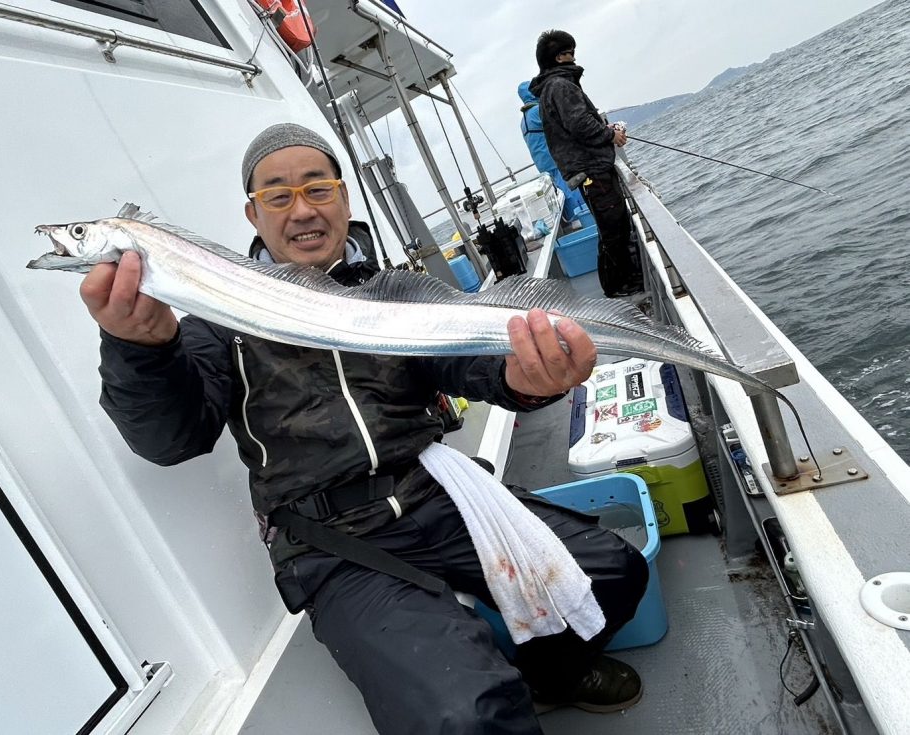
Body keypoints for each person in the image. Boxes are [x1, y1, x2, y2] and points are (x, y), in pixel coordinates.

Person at [79, 122, 648, 734]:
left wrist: (529, 377)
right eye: (277, 194)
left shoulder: (396, 292)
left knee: (615, 570)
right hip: (333, 539)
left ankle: (552, 675)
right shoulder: (219, 324)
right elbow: (171, 439)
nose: (301, 210)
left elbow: (473, 360)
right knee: (464, 715)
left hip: (435, 491)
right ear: (253, 213)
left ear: (344, 200)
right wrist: (140, 351)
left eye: (318, 189)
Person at [529, 30, 644, 298]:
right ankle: (620, 286)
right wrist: (609, 134)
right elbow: (580, 124)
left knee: (612, 225)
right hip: (591, 169)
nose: (574, 57)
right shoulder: (560, 86)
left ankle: (620, 284)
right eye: (570, 52)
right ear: (559, 57)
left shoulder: (554, 87)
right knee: (613, 226)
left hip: (587, 168)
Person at [518, 80, 586, 222]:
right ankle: (584, 217)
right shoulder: (538, 111)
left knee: (561, 192)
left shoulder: (523, 120)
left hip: (543, 164)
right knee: (571, 191)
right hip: (555, 159)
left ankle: (574, 220)